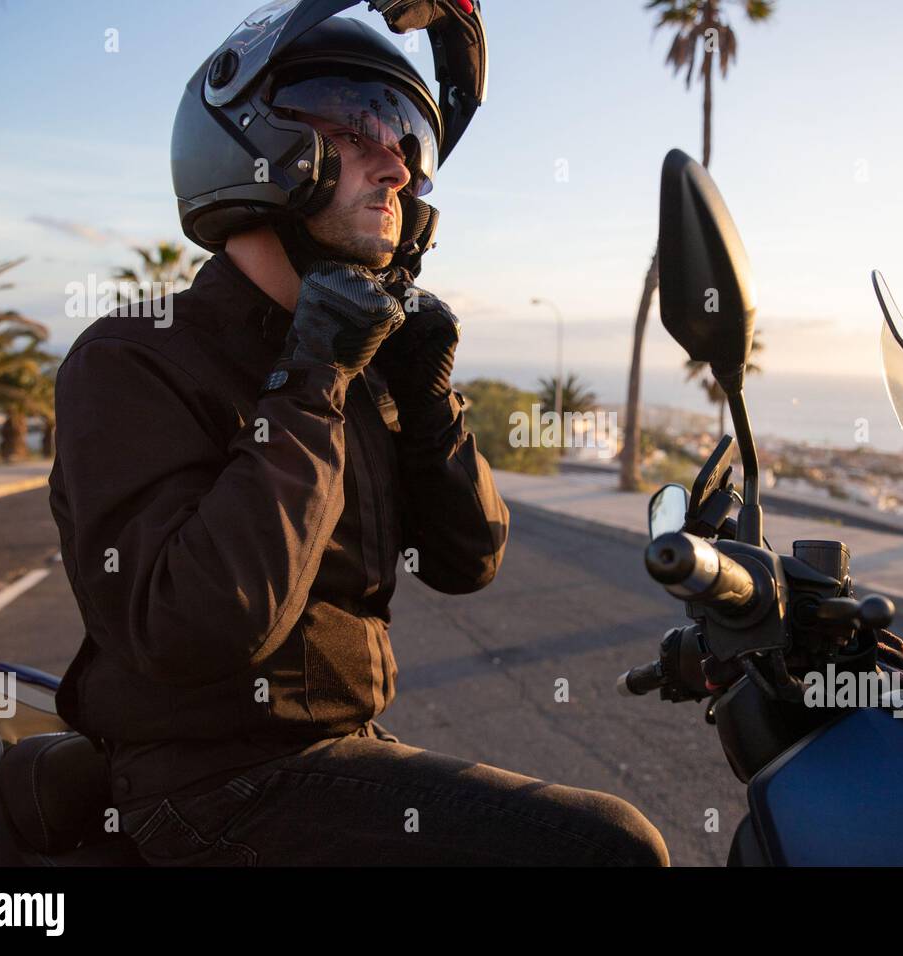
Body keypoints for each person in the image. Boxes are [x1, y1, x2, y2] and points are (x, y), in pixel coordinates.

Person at [48, 1, 669, 866]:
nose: (398, 169)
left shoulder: (358, 363)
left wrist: (427, 397)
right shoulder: (133, 359)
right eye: (361, 129)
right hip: (201, 788)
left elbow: (467, 560)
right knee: (605, 849)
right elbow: (192, 627)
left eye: (408, 141)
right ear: (259, 148)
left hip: (341, 752)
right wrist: (310, 384)